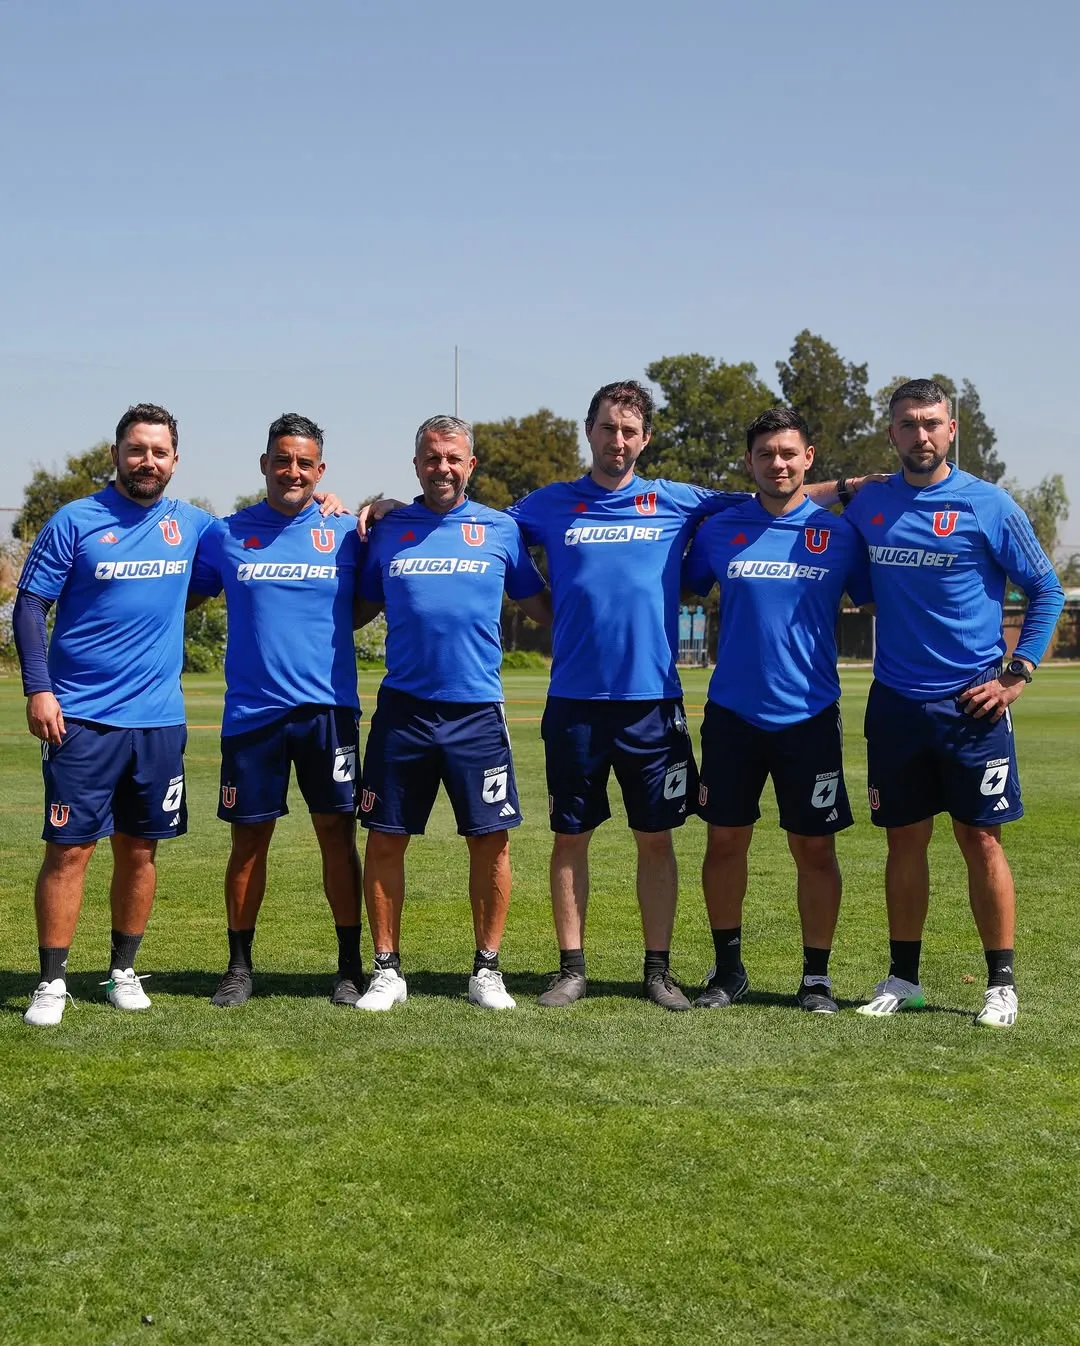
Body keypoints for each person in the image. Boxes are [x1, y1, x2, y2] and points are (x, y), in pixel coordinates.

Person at [359, 380, 872, 1012]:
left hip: (652, 701)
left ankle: (657, 970)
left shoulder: (679, 502)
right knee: (570, 838)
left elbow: (772, 492)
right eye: (608, 429)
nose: (618, 441)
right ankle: (572, 968)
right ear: (590, 432)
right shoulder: (547, 506)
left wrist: (846, 490)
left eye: (630, 431)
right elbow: (468, 520)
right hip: (573, 701)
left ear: (644, 439)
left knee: (655, 839)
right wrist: (381, 506)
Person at [844, 379, 1064, 1027]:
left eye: (932, 423)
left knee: (982, 841)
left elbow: (1045, 589)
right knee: (903, 844)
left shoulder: (987, 504)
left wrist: (1017, 674)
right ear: (891, 434)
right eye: (908, 424)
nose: (921, 435)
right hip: (895, 706)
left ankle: (1001, 985)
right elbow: (849, 569)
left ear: (952, 429)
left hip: (973, 706)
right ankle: (902, 978)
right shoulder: (870, 506)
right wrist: (847, 490)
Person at [14, 404, 216, 1026]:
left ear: (175, 460)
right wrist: (39, 688)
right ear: (116, 454)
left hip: (158, 722)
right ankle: (52, 983)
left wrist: (339, 507)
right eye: (137, 449)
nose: (147, 461)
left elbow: (263, 532)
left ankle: (122, 971)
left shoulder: (194, 525)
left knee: (139, 851)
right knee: (69, 850)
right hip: (82, 719)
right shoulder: (75, 521)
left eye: (159, 451)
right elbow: (28, 608)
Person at [354, 415, 549, 1011]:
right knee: (386, 840)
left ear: (471, 466)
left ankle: (486, 970)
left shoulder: (500, 530)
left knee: (491, 843)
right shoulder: (386, 529)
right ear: (416, 465)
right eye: (432, 457)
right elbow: (353, 609)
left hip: (476, 716)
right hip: (403, 713)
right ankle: (387, 970)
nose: (442, 466)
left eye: (453, 458)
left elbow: (541, 605)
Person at [682, 407, 871, 1014]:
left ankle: (816, 978)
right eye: (765, 454)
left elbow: (879, 600)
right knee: (724, 841)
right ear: (749, 463)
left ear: (808, 457)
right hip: (733, 715)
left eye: (789, 453)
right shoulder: (720, 530)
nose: (778, 463)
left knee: (814, 848)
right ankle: (728, 969)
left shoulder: (840, 535)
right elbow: (679, 587)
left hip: (810, 715)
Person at [188, 413, 365, 1008]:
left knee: (337, 837)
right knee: (248, 842)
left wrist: (382, 504)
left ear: (320, 470)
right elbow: (173, 594)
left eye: (305, 463)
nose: (293, 471)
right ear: (265, 465)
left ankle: (349, 967)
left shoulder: (345, 531)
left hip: (329, 712)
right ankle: (239, 967)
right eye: (283, 460)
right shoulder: (225, 534)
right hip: (253, 716)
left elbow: (371, 591)